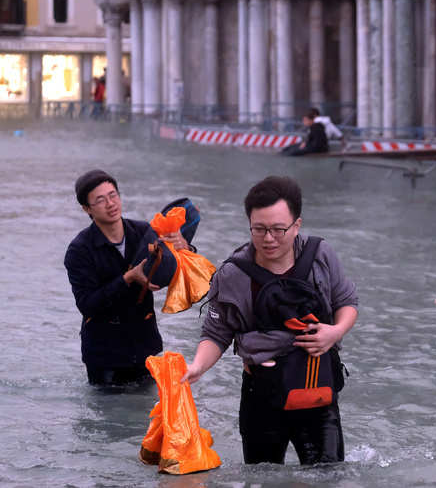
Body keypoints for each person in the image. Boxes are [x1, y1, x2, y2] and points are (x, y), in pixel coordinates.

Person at [181, 176, 358, 465]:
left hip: (317, 395)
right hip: (261, 396)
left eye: (278, 229)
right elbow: (216, 332)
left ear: (297, 225)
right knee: (262, 478)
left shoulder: (320, 255)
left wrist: (335, 331)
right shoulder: (232, 274)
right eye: (259, 229)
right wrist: (198, 366)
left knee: (328, 478)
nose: (269, 239)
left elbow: (347, 302)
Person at [64, 170, 192, 386]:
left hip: (146, 347)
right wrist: (128, 278)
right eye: (100, 200)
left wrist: (184, 248)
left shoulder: (144, 232)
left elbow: (173, 272)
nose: (110, 204)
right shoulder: (80, 250)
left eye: (113, 195)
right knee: (107, 417)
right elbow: (87, 305)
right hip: (105, 355)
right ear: (87, 209)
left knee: (146, 415)